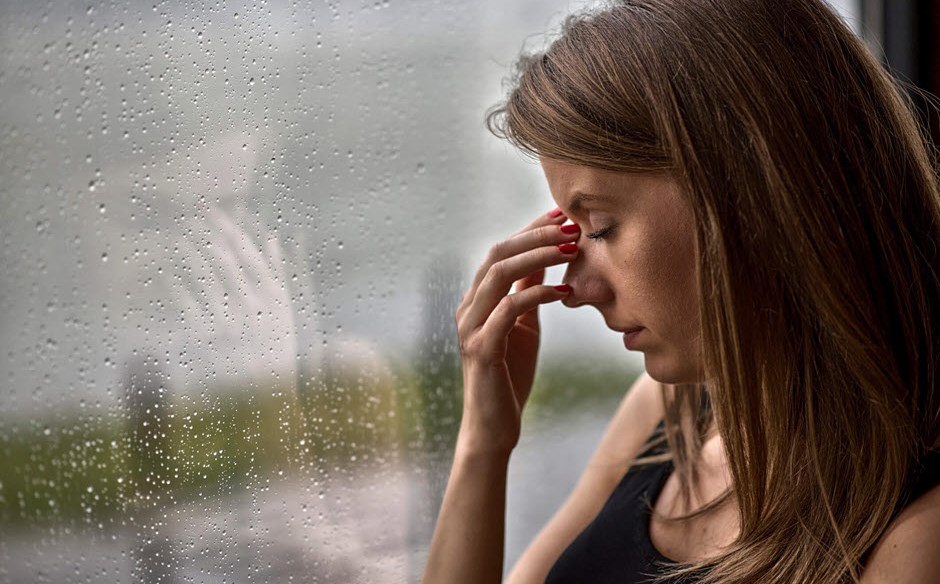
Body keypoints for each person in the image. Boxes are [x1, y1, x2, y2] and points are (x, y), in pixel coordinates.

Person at [421, 0, 940, 582]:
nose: (575, 289)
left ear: (750, 193)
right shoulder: (667, 415)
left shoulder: (918, 535)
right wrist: (482, 447)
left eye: (600, 227)